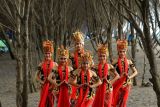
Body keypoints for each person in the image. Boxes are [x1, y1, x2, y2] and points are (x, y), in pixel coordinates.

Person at [112, 39, 138, 107]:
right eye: (120, 51)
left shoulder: (129, 62)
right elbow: (110, 72)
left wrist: (129, 76)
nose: (122, 53)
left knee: (124, 100)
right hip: (118, 83)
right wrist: (117, 76)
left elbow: (135, 72)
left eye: (124, 51)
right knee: (117, 100)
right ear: (118, 52)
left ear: (126, 51)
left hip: (127, 83)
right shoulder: (115, 62)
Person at [36, 40, 57, 107]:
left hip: (52, 87)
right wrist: (42, 82)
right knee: (43, 102)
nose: (47, 55)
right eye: (46, 53)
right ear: (44, 54)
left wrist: (54, 85)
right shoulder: (41, 64)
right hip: (44, 86)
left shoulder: (55, 64)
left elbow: (57, 77)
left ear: (51, 54)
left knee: (51, 103)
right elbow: (36, 76)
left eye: (49, 53)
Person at [69, 31, 85, 106]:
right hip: (74, 79)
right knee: (73, 102)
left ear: (82, 44)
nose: (78, 45)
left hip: (84, 79)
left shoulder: (86, 55)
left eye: (80, 44)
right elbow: (68, 67)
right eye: (76, 44)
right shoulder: (71, 56)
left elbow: (91, 67)